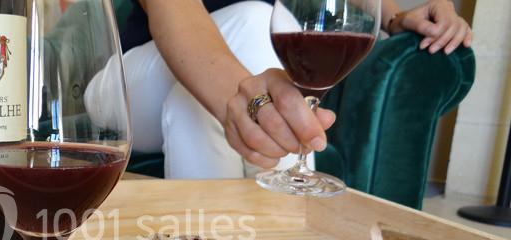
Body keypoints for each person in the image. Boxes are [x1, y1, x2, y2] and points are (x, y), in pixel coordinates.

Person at [87, 0, 473, 179]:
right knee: (257, 18)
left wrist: (397, 16)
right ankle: (285, 221)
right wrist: (247, 101)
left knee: (192, 105)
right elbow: (178, 15)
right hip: (127, 85)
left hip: (213, 79)